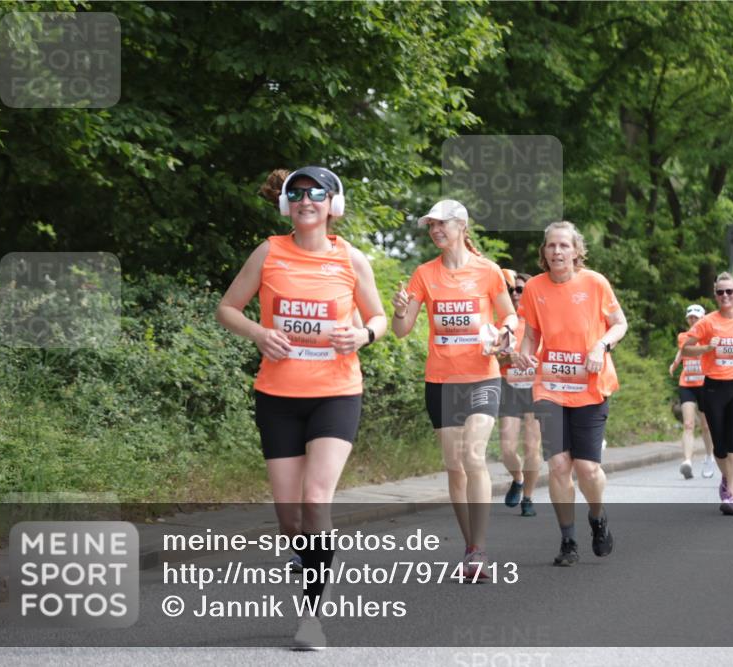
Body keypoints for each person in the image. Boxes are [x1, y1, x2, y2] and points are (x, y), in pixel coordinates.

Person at [217, 166, 387, 649]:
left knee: (316, 500)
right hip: (278, 397)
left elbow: (377, 316)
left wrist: (363, 334)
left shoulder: (351, 259)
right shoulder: (270, 252)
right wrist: (258, 333)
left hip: (336, 392)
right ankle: (309, 553)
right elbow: (227, 308)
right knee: (291, 519)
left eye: (316, 194)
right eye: (297, 194)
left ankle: (311, 617)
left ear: (333, 204)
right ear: (285, 204)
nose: (306, 200)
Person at [391, 200, 517, 579]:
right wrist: (399, 309)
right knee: (454, 467)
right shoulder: (423, 275)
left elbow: (508, 313)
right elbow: (402, 330)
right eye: (430, 226)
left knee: (473, 455)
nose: (434, 231)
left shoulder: (488, 271)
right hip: (441, 381)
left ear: (462, 225)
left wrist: (505, 332)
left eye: (441, 224)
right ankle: (469, 546)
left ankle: (478, 550)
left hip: (482, 375)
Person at [515, 221, 627, 566]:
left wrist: (600, 346)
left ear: (576, 251)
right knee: (560, 465)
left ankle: (597, 516)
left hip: (591, 386)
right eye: (551, 246)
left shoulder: (595, 283)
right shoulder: (534, 287)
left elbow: (619, 323)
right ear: (544, 252)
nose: (557, 252)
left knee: (588, 469)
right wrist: (524, 352)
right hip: (550, 385)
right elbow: (531, 335)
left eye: (564, 246)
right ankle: (568, 541)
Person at [682, 272, 733, 516]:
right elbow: (686, 346)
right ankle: (728, 479)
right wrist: (707, 347)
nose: (725, 296)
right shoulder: (707, 321)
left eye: (729, 291)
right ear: (715, 295)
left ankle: (731, 495)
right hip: (714, 387)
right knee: (719, 447)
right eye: (720, 292)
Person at [498, 269, 541, 517]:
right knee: (507, 448)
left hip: (535, 388)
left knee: (532, 448)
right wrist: (505, 354)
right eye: (511, 289)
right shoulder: (502, 321)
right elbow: (489, 354)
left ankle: (528, 498)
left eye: (520, 290)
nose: (515, 294)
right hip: (509, 386)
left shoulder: (540, 319)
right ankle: (518, 478)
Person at [669, 304, 716, 480]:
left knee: (706, 426)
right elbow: (682, 350)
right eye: (690, 317)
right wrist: (675, 363)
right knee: (688, 424)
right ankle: (687, 461)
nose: (693, 320)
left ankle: (709, 457)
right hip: (687, 383)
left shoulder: (710, 337)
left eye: (696, 317)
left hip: (704, 384)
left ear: (703, 318)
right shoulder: (684, 336)